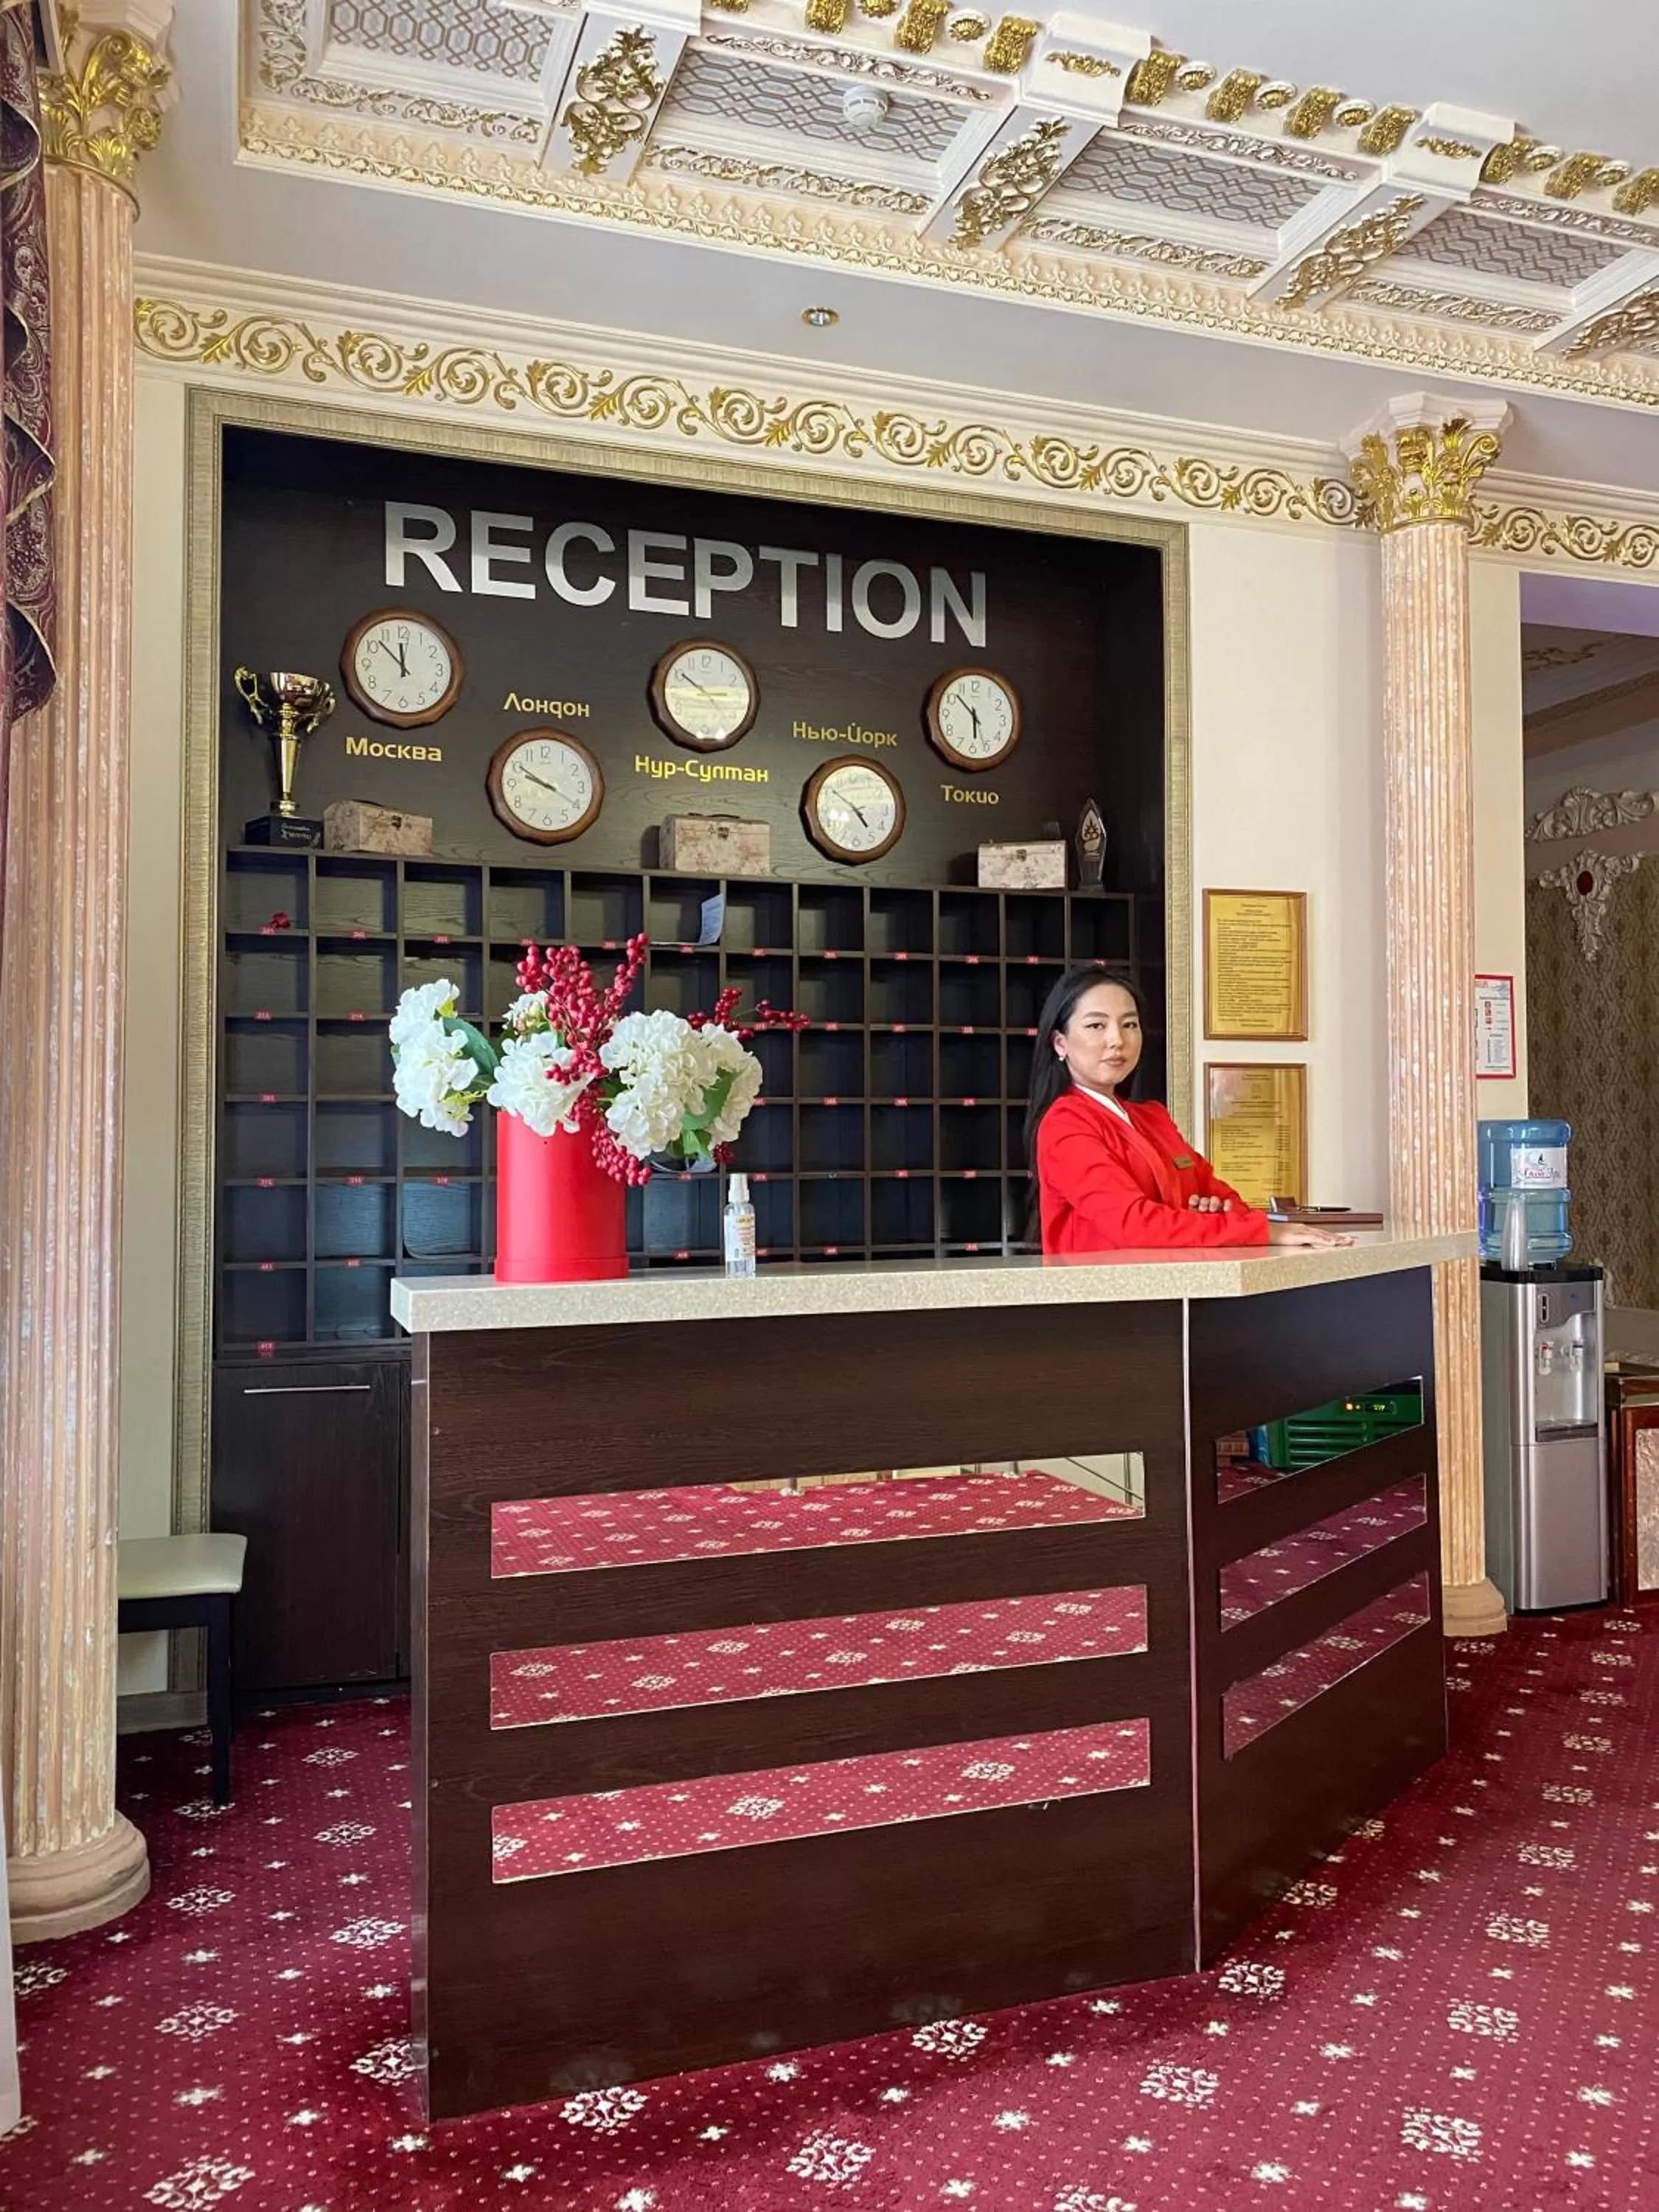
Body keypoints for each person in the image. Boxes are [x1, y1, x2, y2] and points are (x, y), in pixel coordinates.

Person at [1026, 967, 1353, 1255]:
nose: (1117, 1040)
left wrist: (1212, 1213)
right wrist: (1265, 1230)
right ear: (1060, 1043)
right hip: (1107, 1311)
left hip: (1176, 1297)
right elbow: (1134, 1225)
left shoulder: (1152, 1118)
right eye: (1096, 1026)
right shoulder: (1065, 1124)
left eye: (1130, 1025)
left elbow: (1224, 1198)